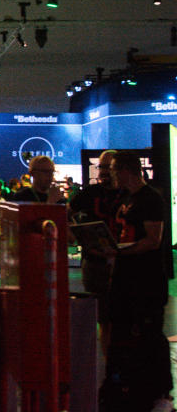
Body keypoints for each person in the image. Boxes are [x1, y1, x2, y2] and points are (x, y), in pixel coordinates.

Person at [98, 151, 172, 411]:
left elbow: (153, 240)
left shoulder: (151, 198)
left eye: (115, 169)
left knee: (150, 335)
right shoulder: (125, 199)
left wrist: (120, 252)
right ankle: (127, 387)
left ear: (127, 170)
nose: (111, 174)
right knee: (122, 333)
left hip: (147, 281)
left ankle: (163, 394)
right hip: (124, 279)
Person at [69, 149, 121, 356]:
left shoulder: (129, 194)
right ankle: (108, 364)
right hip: (95, 264)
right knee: (103, 318)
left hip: (124, 264)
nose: (104, 172)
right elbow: (65, 214)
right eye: (101, 167)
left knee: (121, 318)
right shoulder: (89, 194)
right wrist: (75, 233)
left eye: (108, 167)